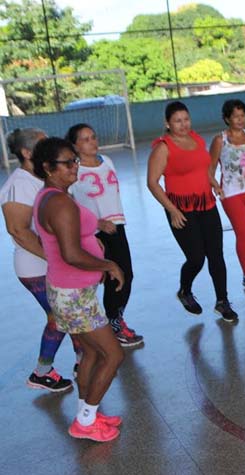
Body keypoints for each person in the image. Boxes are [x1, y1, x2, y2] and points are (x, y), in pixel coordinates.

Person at [31, 137, 125, 442]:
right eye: (67, 163)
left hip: (72, 291)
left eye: (75, 160)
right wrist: (108, 265)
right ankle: (85, 422)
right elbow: (70, 254)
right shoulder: (57, 202)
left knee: (90, 355)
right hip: (73, 294)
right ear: (47, 167)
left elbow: (69, 243)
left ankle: (89, 413)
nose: (75, 166)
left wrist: (93, 242)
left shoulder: (54, 195)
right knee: (113, 355)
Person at [1, 128, 81, 391]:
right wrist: (57, 257)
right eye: (43, 143)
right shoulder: (18, 185)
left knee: (73, 311)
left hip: (59, 263)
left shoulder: (46, 177)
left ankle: (84, 359)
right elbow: (18, 231)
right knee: (59, 316)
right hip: (35, 267)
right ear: (26, 153)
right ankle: (41, 372)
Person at [147, 101, 238, 322]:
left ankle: (222, 301)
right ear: (167, 123)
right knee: (196, 258)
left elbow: (203, 167)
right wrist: (172, 210)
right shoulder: (163, 147)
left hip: (206, 205)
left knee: (216, 255)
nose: (183, 124)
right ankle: (185, 290)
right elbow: (153, 182)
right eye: (177, 121)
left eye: (186, 119)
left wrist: (212, 182)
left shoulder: (196, 139)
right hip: (181, 209)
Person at [67, 123, 143, 347]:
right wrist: (96, 223)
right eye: (85, 139)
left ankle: (114, 320)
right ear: (75, 145)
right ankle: (111, 326)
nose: (92, 141)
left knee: (126, 275)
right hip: (96, 232)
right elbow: (70, 206)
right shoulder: (74, 172)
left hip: (117, 226)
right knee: (110, 277)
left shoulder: (106, 161)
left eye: (93, 136)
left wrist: (114, 220)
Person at [208, 99, 245, 292]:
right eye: (235, 116)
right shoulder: (220, 140)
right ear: (227, 119)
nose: (240, 120)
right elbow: (210, 167)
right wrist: (215, 184)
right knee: (244, 232)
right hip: (231, 192)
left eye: (243, 116)